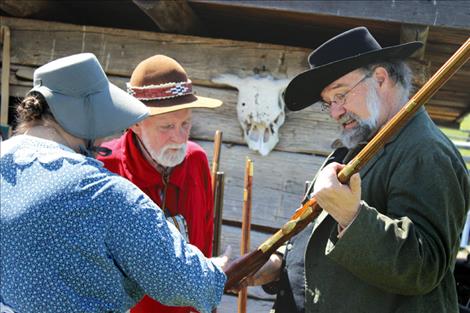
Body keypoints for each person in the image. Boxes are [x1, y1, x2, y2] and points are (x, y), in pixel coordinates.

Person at [246, 26, 470, 313]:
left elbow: (423, 268)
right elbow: (316, 235)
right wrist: (277, 264)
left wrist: (352, 216)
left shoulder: (426, 152)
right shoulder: (360, 145)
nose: (336, 112)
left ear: (380, 78)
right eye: (328, 104)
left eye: (341, 95)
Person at [0, 53, 227, 313]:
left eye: (185, 124)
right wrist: (219, 273)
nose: (99, 141)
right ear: (81, 118)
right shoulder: (101, 191)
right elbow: (184, 281)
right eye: (167, 126)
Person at [97, 54, 223, 313]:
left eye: (185, 123)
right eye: (167, 126)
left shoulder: (196, 159)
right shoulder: (103, 169)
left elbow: (205, 242)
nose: (179, 137)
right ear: (135, 124)